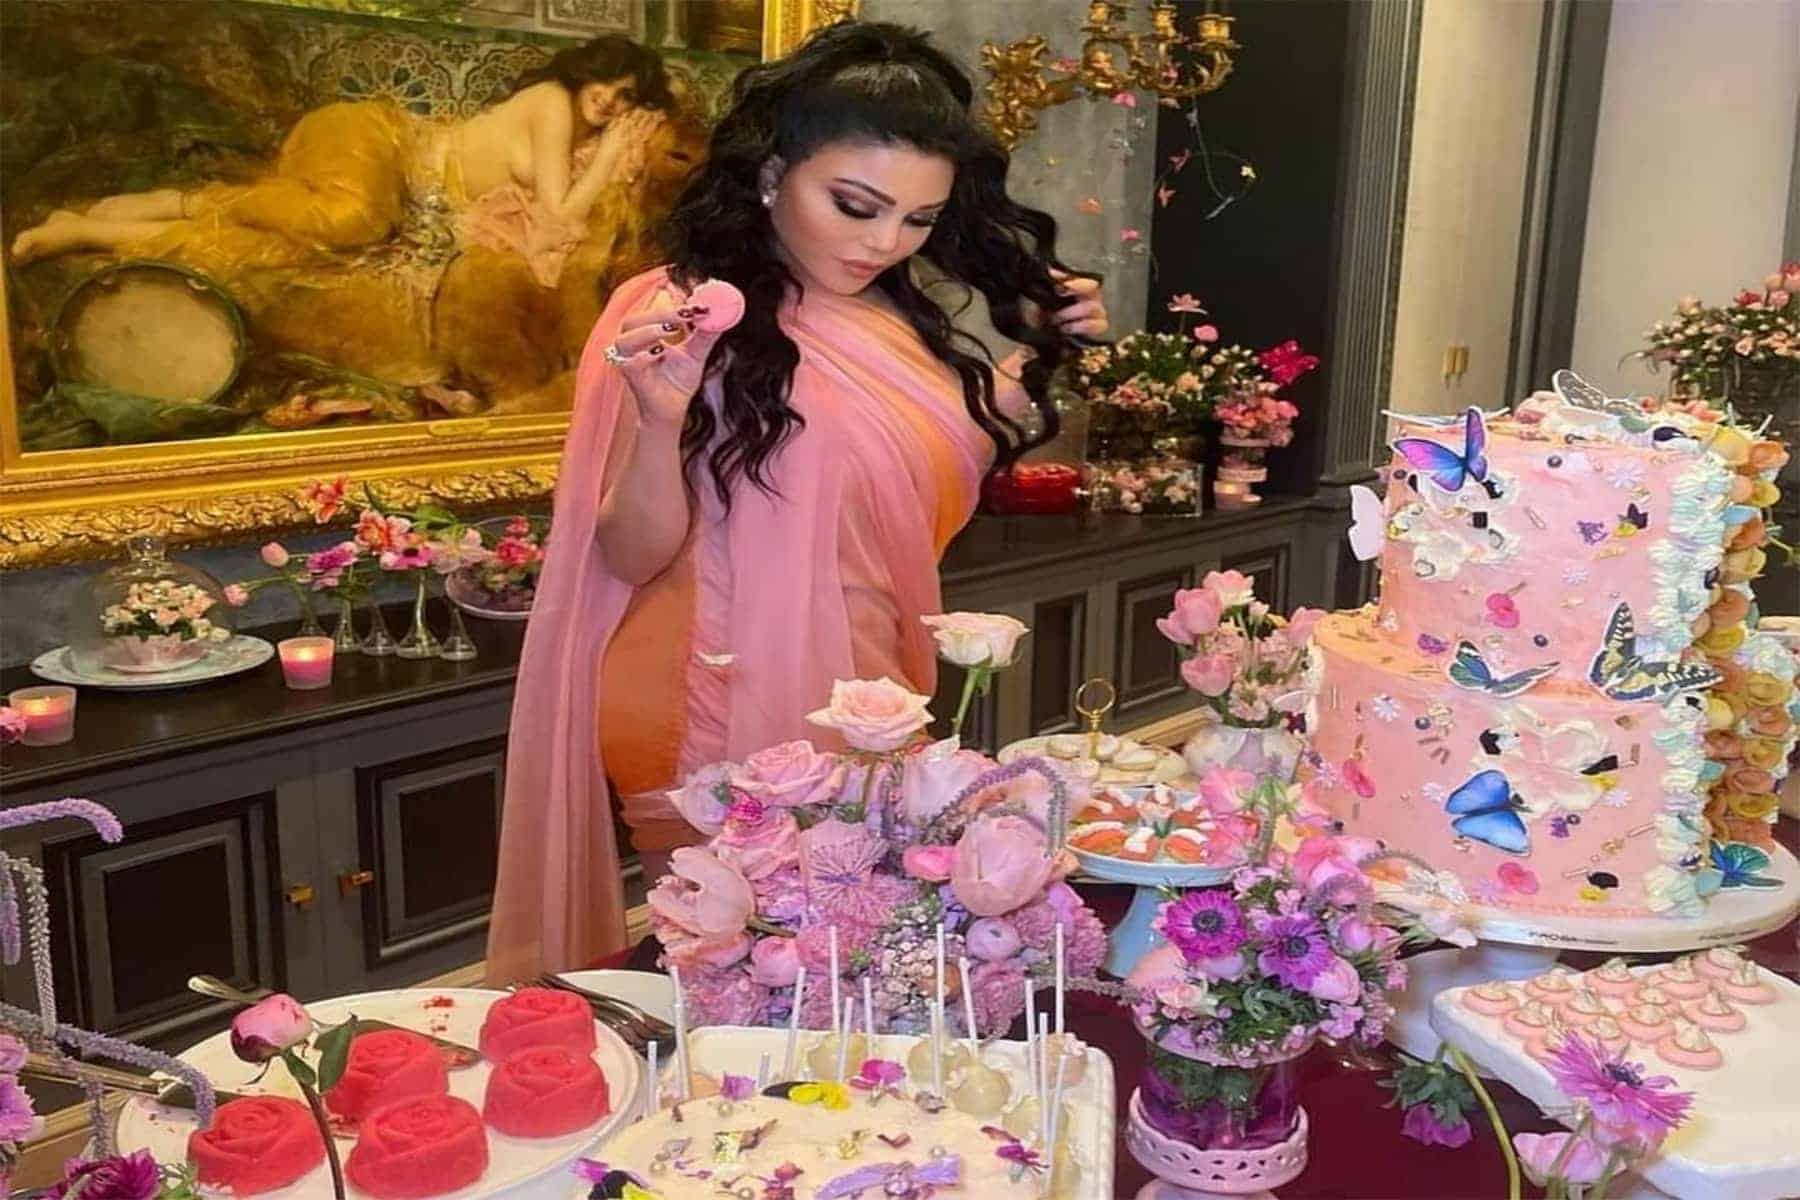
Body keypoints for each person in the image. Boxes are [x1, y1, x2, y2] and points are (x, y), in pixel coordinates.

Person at [487, 21, 1108, 981]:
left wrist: (1042, 354)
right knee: (736, 980)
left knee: (853, 974)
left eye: (918, 220)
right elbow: (630, 553)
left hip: (863, 686)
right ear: (774, 173)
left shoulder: (886, 316)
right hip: (708, 691)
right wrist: (659, 419)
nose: (882, 242)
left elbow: (921, 480)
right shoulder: (678, 312)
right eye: (854, 205)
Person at [8, 34, 675, 283]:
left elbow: (563, 230)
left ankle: (88, 230)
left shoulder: (584, 142)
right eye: (607, 84)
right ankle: (178, 199)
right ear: (585, 71)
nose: (609, 101)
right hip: (375, 139)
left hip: (397, 204)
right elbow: (560, 213)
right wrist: (608, 154)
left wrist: (615, 153)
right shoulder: (552, 102)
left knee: (267, 254)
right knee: (349, 220)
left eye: (625, 99)